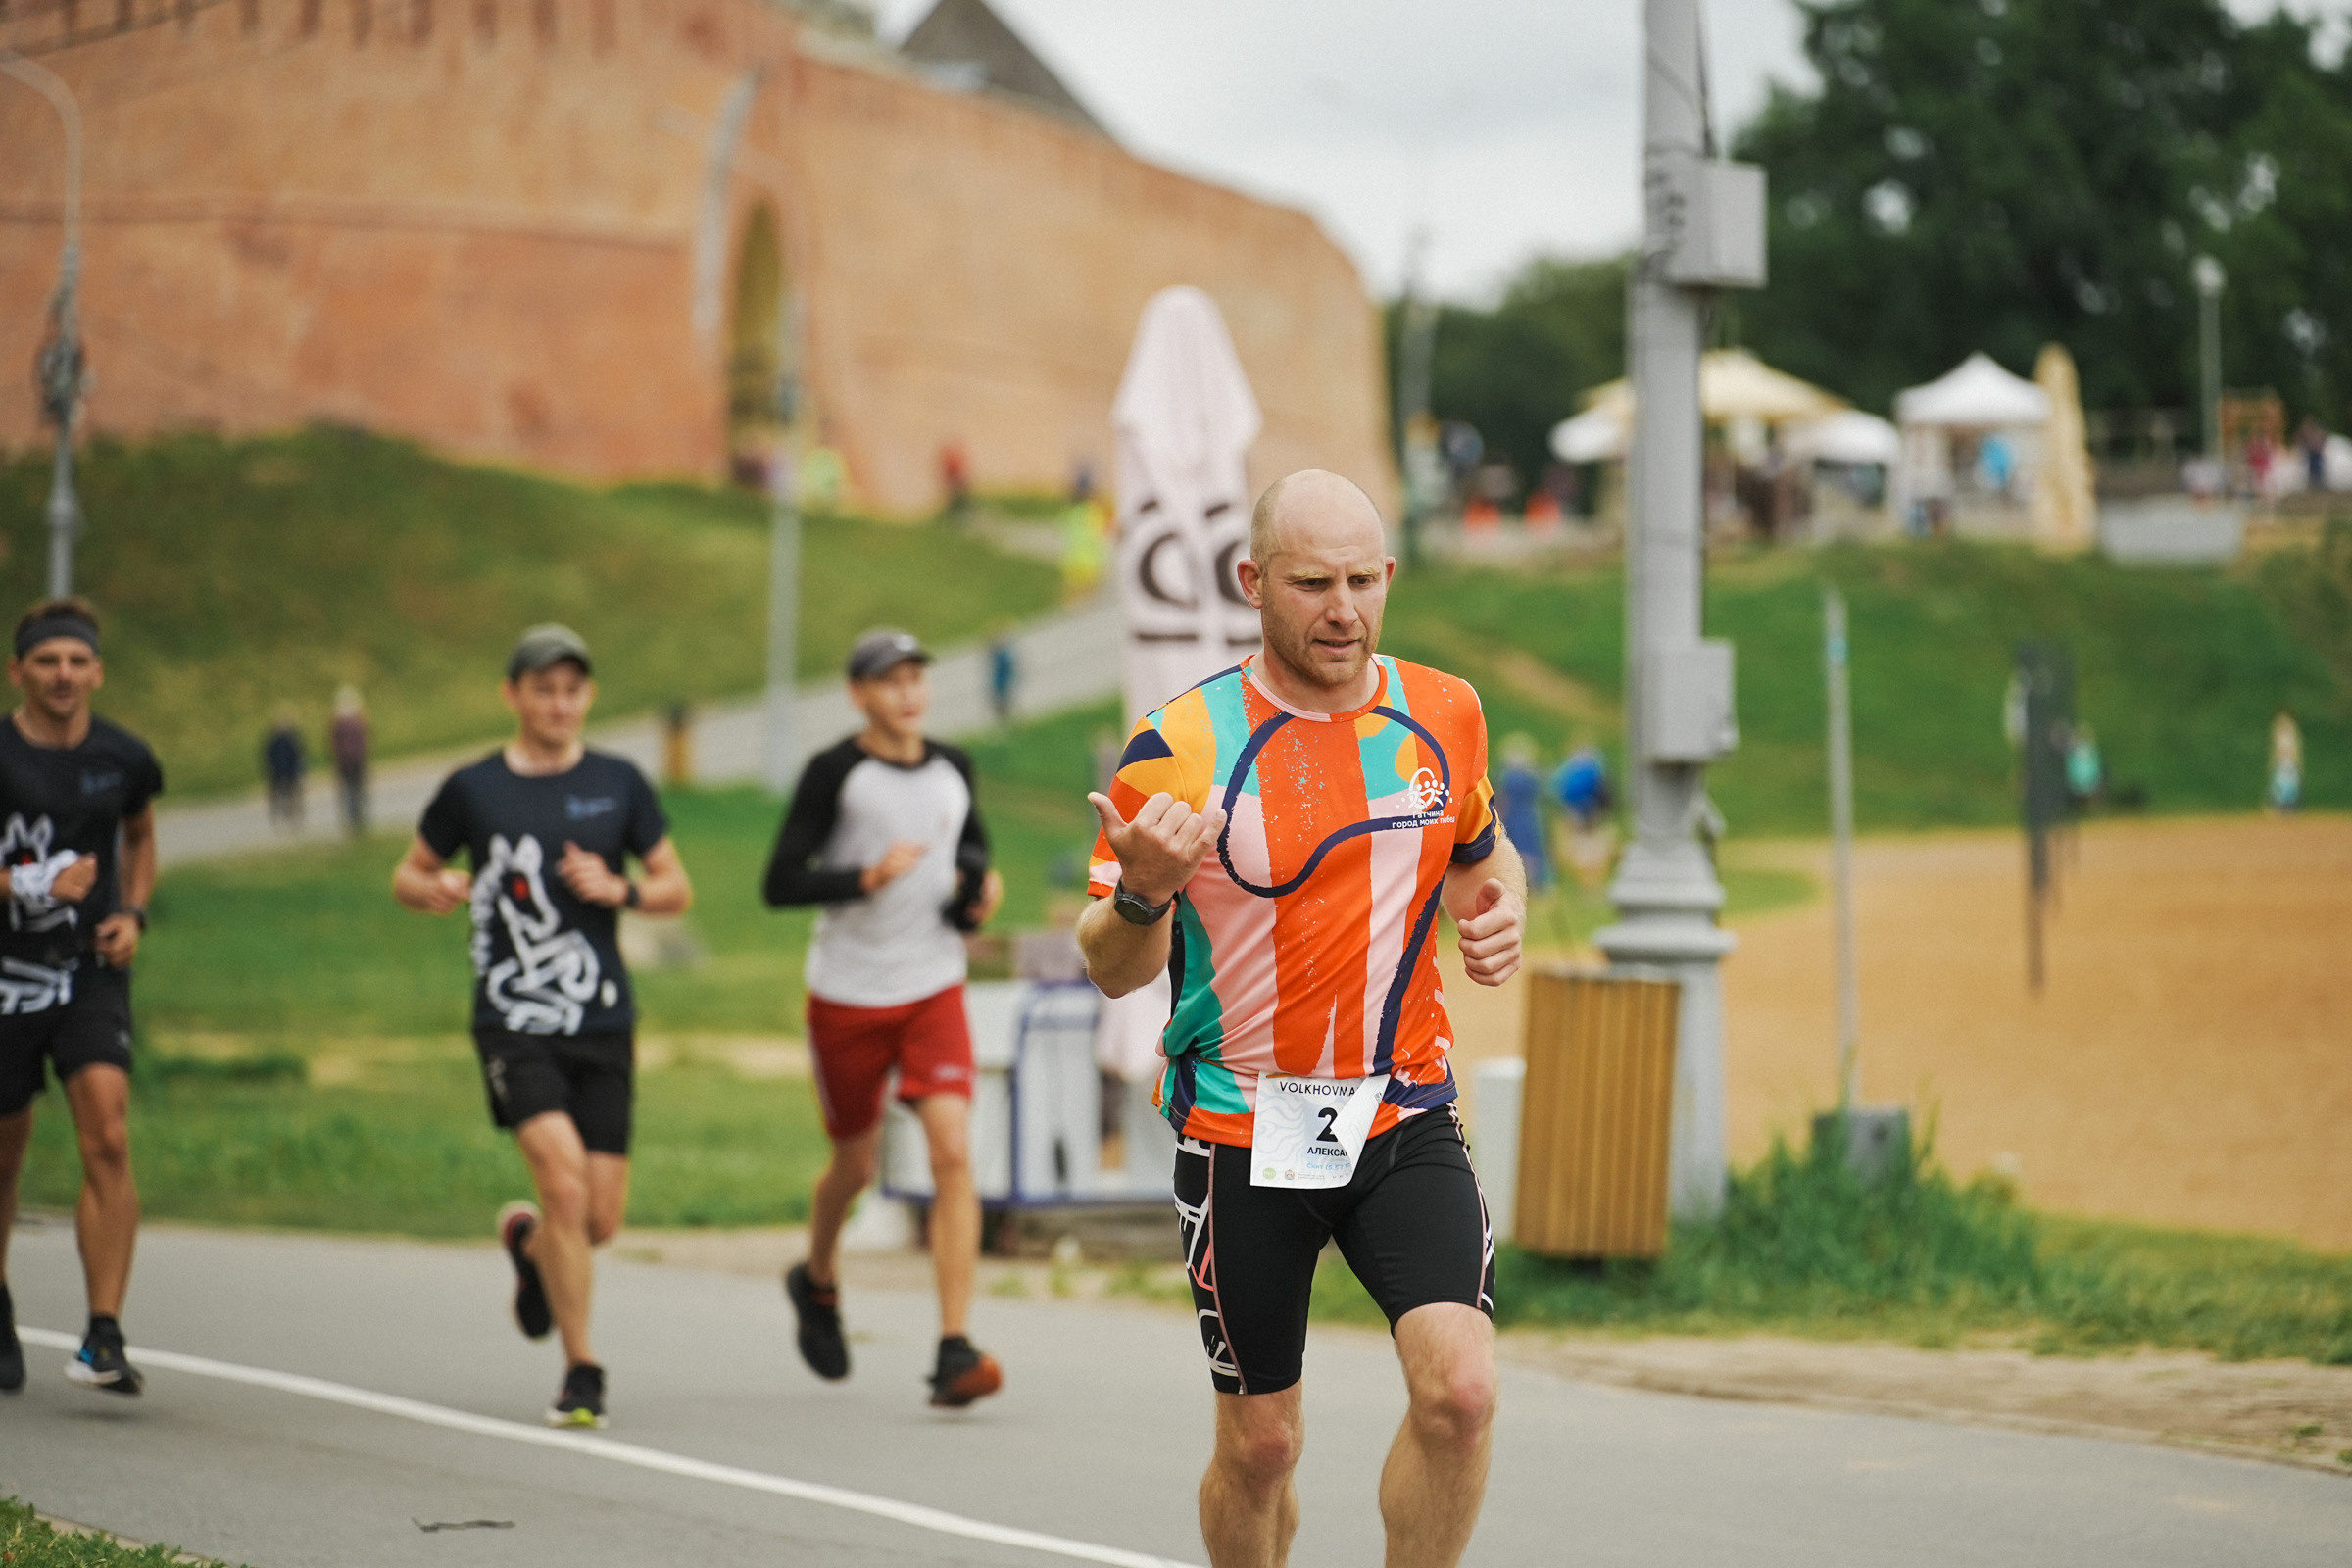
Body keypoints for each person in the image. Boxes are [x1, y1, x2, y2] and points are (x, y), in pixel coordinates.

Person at [1078, 470, 1524, 1568]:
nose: (1344, 609)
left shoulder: (1444, 712)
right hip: (1244, 1128)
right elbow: (1113, 969)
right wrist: (1142, 893)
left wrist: (1502, 914)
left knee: (1461, 1393)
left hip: (1401, 1106)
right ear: (1253, 581)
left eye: (1365, 581)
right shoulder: (1178, 742)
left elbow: (1481, 856)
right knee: (1263, 1445)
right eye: (1314, 582)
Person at [391, 625, 692, 1429]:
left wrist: (618, 889)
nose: (559, 703)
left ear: (587, 696)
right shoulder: (475, 787)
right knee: (561, 1182)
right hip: (511, 1018)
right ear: (513, 695)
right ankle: (582, 1370)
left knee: (596, 1219)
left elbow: (675, 887)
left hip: (602, 1017)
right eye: (542, 688)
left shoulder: (619, 783)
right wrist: (433, 885)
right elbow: (407, 869)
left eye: (571, 689)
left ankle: (531, 1252)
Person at [763, 627, 1005, 1409]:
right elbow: (779, 882)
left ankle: (954, 1346)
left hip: (932, 985)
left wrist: (981, 895)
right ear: (858, 693)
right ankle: (818, 1278)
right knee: (855, 1167)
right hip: (848, 993)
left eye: (915, 677)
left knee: (951, 1154)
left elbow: (970, 862)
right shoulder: (835, 773)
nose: (907, 692)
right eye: (888, 680)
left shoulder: (953, 768)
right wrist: (863, 877)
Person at [0, 598, 164, 1396]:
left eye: (76, 661)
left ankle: (104, 1332)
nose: (62, 675)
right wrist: (32, 881)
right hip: (5, 971)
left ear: (97, 670)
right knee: (5, 1152)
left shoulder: (124, 758)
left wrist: (132, 912)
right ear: (18, 671)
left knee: (107, 1132)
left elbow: (140, 835)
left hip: (89, 968)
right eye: (46, 661)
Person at [1495, 734, 1551, 891]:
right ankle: (1532, 884)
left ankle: (1523, 884)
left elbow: (1502, 800)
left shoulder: (1507, 777)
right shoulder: (1531, 777)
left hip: (1515, 818)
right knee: (1529, 847)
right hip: (1528, 818)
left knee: (1518, 847)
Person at [330, 684, 369, 835]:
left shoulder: (340, 722)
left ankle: (355, 819)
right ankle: (354, 819)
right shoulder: (355, 720)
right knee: (353, 791)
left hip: (350, 761)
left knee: (353, 791)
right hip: (350, 761)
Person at [263, 708, 306, 827]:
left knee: (291, 794)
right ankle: (279, 814)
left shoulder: (292, 739)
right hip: (279, 771)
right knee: (280, 794)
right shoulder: (275, 740)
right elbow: (269, 756)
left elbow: (298, 755)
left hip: (289, 771)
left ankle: (291, 815)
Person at [2270, 708, 2302, 812]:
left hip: (2289, 762)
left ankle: (2290, 806)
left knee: (2291, 783)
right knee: (2280, 783)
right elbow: (2276, 750)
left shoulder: (2292, 733)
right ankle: (2280, 806)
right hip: (2281, 762)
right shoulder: (2278, 733)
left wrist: (2295, 760)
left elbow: (2294, 749)